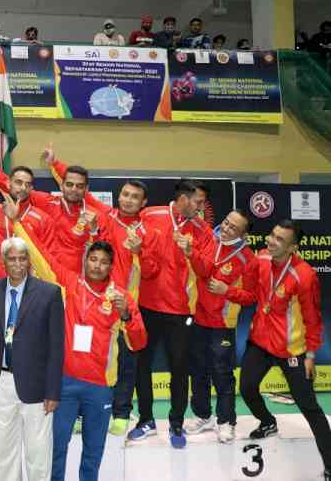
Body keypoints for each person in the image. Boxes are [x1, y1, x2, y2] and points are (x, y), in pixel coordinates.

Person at [8, 202, 146, 481]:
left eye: (104, 262)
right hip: (64, 383)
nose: (97, 265)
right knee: (56, 449)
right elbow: (40, 256)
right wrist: (17, 224)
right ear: (85, 261)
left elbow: (138, 343)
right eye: (93, 259)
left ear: (110, 265)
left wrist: (126, 315)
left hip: (100, 387)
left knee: (93, 452)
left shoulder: (121, 297)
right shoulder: (68, 284)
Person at [239, 220, 331, 480]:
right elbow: (249, 286)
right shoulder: (261, 258)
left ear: (293, 247)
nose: (271, 240)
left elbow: (313, 319)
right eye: (272, 235)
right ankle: (267, 422)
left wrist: (311, 355)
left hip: (292, 351)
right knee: (246, 387)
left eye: (280, 239)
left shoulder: (304, 275)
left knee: (309, 407)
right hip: (260, 342)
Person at [128, 179, 213, 448]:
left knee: (179, 369)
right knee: (143, 366)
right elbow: (139, 253)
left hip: (180, 311)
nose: (201, 209)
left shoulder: (202, 230)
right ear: (184, 198)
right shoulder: (150, 215)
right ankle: (146, 420)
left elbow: (206, 270)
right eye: (198, 202)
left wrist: (192, 252)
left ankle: (176, 423)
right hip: (148, 306)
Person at [0, 235, 64, 481]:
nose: (17, 264)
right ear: (2, 261)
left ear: (29, 261)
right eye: (12, 259)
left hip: (38, 387)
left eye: (22, 258)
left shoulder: (49, 293)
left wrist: (53, 391)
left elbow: (56, 347)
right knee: (3, 452)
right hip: (0, 384)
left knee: (38, 454)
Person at [184, 209, 257, 443]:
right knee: (198, 371)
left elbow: (251, 296)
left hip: (222, 323)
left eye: (233, 227)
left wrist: (228, 291)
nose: (225, 228)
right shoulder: (208, 241)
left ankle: (226, 421)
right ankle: (202, 415)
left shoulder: (247, 258)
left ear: (243, 234)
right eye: (226, 222)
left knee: (222, 374)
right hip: (198, 318)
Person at [97, 180, 160, 436]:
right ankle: (92, 410)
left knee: (127, 362)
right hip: (98, 302)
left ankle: (121, 413)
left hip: (127, 306)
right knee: (95, 359)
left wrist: (140, 251)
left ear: (143, 203)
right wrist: (55, 163)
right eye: (125, 194)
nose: (128, 200)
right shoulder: (105, 218)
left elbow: (152, 272)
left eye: (135, 197)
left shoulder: (149, 233)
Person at [32, 145, 107, 275]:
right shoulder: (47, 203)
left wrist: (94, 230)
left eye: (79, 186)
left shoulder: (96, 217)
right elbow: (14, 187)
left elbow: (102, 255)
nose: (73, 189)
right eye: (69, 184)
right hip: (47, 278)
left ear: (86, 189)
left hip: (76, 282)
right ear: (61, 186)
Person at [0, 165, 54, 283]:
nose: (23, 188)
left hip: (26, 286)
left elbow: (47, 259)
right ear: (8, 183)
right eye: (18, 182)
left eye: (27, 184)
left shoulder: (43, 219)